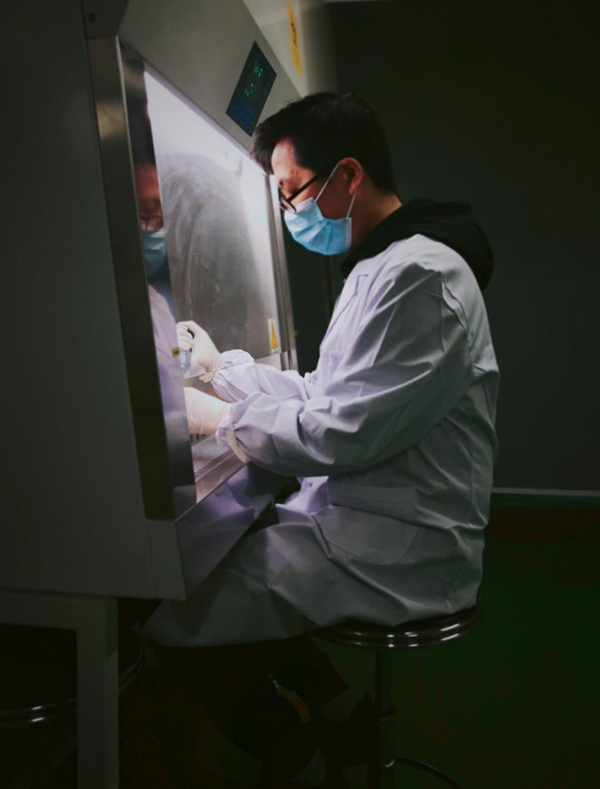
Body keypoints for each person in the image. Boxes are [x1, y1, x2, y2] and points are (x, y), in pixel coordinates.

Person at [141, 93, 499, 788]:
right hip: (372, 522)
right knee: (231, 561)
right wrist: (222, 370)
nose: (288, 209)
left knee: (171, 608)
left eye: (292, 190)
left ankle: (299, 761)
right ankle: (342, 717)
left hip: (399, 550)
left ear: (348, 176)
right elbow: (327, 392)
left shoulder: (420, 277)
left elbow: (340, 431)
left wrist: (218, 420)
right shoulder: (383, 266)